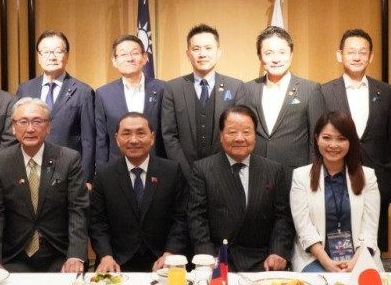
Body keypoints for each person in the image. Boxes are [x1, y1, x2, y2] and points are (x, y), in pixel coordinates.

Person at [0, 98, 89, 273]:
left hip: (59, 254)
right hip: (15, 255)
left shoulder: (69, 159)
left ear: (48, 127)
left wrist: (75, 255)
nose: (30, 129)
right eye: (23, 122)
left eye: (37, 121)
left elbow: (78, 209)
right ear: (13, 127)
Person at [321, 29, 391, 252]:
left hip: (377, 174)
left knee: (373, 242)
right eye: (351, 52)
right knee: (339, 239)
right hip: (336, 173)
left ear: (370, 57)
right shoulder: (324, 92)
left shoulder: (387, 92)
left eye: (362, 52)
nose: (357, 57)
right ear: (340, 55)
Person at [187, 105, 293, 272]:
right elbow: (197, 219)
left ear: (255, 136)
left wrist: (277, 252)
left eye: (246, 132)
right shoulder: (202, 169)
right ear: (221, 136)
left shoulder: (273, 170)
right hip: (218, 257)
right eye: (232, 132)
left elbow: (283, 218)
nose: (239, 138)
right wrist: (206, 257)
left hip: (263, 259)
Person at [90, 112, 190, 273]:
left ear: (152, 137)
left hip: (162, 259)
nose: (134, 140)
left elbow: (181, 218)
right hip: (116, 261)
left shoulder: (171, 171)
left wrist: (170, 253)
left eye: (141, 133)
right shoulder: (104, 174)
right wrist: (105, 255)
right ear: (117, 138)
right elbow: (97, 222)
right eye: (126, 134)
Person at [290, 112, 381, 273]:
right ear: (317, 138)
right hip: (315, 257)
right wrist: (326, 262)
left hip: (359, 255)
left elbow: (369, 228)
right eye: (326, 138)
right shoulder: (301, 176)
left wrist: (355, 262)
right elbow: (304, 228)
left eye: (341, 139)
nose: (333, 145)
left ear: (351, 142)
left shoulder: (368, 176)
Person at [237, 26, 326, 171]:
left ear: (291, 54)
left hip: (295, 175)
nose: (276, 59)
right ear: (260, 56)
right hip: (255, 172)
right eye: (269, 53)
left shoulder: (310, 90)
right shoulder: (247, 89)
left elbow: (318, 139)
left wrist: (313, 176)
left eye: (282, 53)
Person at [161, 24, 244, 180]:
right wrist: (187, 172)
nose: (202, 54)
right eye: (196, 49)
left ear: (219, 52)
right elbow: (169, 135)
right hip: (184, 176)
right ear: (188, 53)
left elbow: (239, 133)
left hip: (226, 174)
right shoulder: (173, 88)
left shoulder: (236, 87)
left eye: (208, 48)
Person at [16, 30, 95, 183]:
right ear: (39, 57)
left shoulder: (83, 91)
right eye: (45, 51)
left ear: (67, 56)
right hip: (31, 168)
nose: (52, 56)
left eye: (58, 51)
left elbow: (89, 141)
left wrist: (87, 179)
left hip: (69, 170)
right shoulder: (25, 89)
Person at [94, 34, 166, 173]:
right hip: (117, 169)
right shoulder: (103, 94)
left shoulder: (163, 89)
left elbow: (168, 134)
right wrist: (100, 174)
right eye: (123, 54)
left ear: (144, 58)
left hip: (157, 167)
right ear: (114, 61)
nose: (130, 58)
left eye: (135, 53)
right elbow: (101, 139)